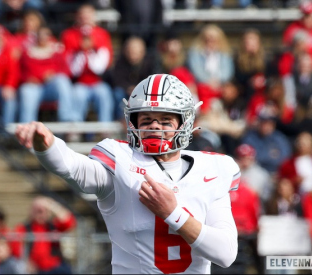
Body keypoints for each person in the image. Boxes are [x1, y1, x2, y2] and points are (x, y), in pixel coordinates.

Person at [15, 74, 240, 273]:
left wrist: (172, 213)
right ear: (132, 122)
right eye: (146, 120)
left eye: (164, 120)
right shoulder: (120, 161)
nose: (154, 126)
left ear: (185, 122)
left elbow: (226, 253)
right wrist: (47, 145)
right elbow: (75, 169)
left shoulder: (212, 169)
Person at [61, 4, 114, 123]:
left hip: (98, 81)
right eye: (82, 15)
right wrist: (80, 51)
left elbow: (106, 61)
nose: (85, 18)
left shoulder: (102, 33)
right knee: (77, 95)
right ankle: (74, 128)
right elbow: (67, 61)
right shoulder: (69, 34)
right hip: (79, 82)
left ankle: (105, 129)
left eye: (88, 14)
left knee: (105, 94)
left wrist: (92, 52)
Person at [18, 26, 73, 123]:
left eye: (46, 35)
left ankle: (66, 118)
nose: (43, 37)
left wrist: (53, 74)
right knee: (26, 91)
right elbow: (19, 72)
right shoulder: (27, 52)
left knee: (62, 80)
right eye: (40, 35)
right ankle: (27, 127)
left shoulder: (57, 52)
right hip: (34, 87)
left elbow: (66, 71)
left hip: (51, 87)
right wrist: (27, 79)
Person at [11, 196, 76, 274]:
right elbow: (15, 247)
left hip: (56, 267)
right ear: (32, 211)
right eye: (38, 211)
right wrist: (25, 263)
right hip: (36, 270)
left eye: (44, 211)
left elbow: (69, 222)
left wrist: (52, 205)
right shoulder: (24, 228)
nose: (41, 214)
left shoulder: (54, 226)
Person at [188, 24, 234, 114]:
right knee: (201, 90)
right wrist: (209, 81)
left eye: (214, 40)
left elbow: (227, 72)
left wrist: (218, 81)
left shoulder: (225, 54)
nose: (211, 42)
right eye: (208, 39)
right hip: (202, 85)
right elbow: (197, 70)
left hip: (220, 85)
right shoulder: (196, 53)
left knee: (229, 91)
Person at [111, 36, 155, 121]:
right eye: (130, 51)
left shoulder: (150, 63)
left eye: (135, 52)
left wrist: (138, 89)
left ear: (142, 52)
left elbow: (152, 80)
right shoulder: (120, 62)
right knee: (118, 94)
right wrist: (128, 88)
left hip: (143, 91)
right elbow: (117, 79)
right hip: (125, 91)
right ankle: (121, 118)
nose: (132, 54)